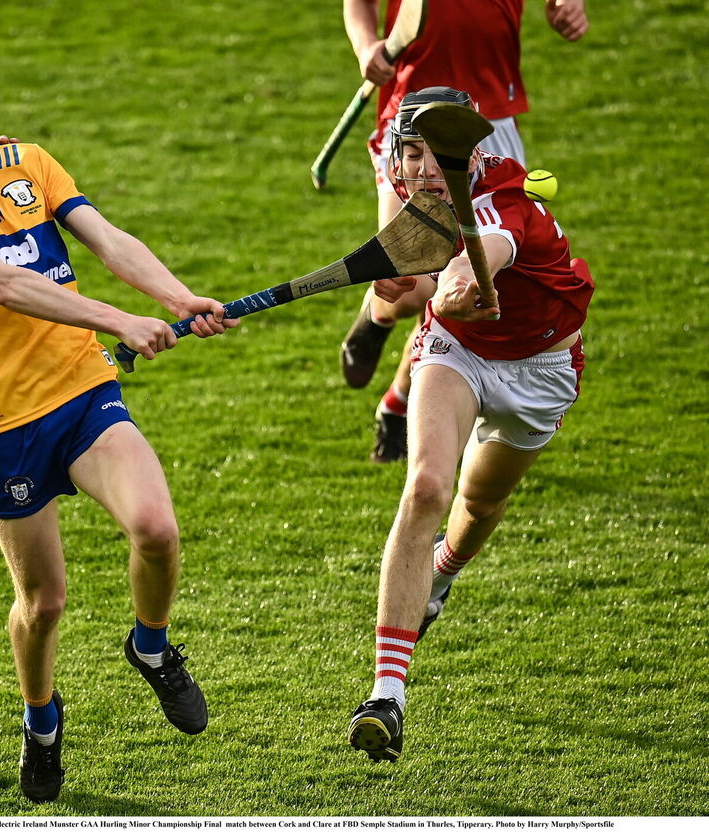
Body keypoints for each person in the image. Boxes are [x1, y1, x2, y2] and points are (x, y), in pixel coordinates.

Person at [0, 58, 236, 803]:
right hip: (2, 421)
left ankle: (152, 644)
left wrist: (176, 297)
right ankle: (41, 721)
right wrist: (122, 320)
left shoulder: (27, 160)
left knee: (157, 529)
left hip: (81, 390)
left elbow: (105, 238)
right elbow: (8, 284)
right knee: (43, 603)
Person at [345, 87, 594, 762]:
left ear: (474, 153)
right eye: (415, 153)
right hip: (456, 352)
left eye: (439, 153)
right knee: (427, 487)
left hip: (541, 369)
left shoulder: (507, 204)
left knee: (479, 502)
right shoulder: (418, 213)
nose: (425, 168)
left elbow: (486, 251)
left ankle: (443, 575)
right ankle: (387, 695)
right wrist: (397, 295)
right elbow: (415, 295)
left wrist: (452, 282)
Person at [338, 0, 589, 462]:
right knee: (413, 286)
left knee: (467, 281)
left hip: (488, 112)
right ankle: (376, 320)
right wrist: (365, 45)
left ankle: (397, 401)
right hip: (412, 111)